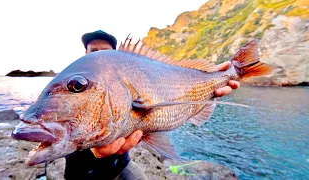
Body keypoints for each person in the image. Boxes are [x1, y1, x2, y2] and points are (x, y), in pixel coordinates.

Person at [64, 30, 240, 180]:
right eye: (93, 51)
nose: (97, 55)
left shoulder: (124, 77)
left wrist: (210, 82)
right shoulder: (70, 86)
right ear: (85, 53)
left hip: (121, 166)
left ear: (113, 55)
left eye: (104, 51)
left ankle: (236, 70)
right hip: (82, 174)